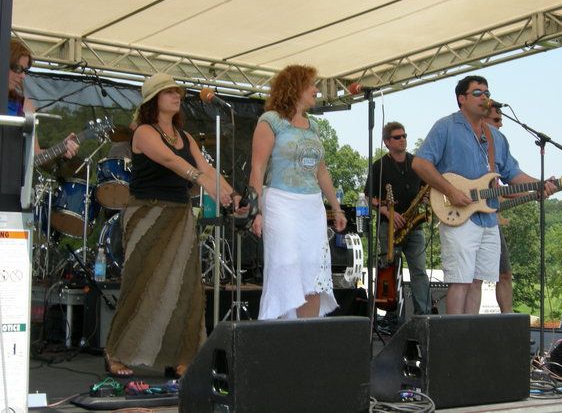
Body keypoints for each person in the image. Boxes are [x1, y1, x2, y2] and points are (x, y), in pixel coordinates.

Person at [103, 73, 240, 377]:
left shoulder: (186, 137)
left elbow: (207, 169)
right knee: (141, 283)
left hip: (179, 215)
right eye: (169, 92)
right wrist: (203, 181)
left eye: (177, 92)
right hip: (147, 214)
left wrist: (233, 195)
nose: (176, 96)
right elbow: (170, 161)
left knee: (186, 286)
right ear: (153, 100)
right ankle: (115, 352)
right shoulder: (143, 132)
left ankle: (182, 356)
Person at [412, 75, 557, 314]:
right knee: (460, 281)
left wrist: (540, 184)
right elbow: (420, 163)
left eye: (487, 93)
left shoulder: (496, 137)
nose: (485, 97)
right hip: (458, 215)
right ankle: (453, 334)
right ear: (461, 98)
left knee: (477, 282)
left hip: (488, 218)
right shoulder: (446, 126)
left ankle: (470, 332)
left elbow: (512, 173)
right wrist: (451, 191)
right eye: (478, 93)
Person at [249, 64, 346, 320]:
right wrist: (256, 211)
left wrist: (336, 208)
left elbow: (321, 171)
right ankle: (281, 333)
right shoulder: (270, 121)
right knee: (285, 265)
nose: (316, 90)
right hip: (281, 202)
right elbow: (257, 169)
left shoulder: (313, 126)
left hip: (312, 206)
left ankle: (307, 333)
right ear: (295, 87)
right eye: (311, 85)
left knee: (313, 270)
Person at [365, 122, 430, 316]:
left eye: (404, 136)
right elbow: (369, 197)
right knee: (390, 271)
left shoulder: (416, 163)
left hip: (414, 225)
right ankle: (393, 316)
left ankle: (424, 315)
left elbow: (426, 189)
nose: (402, 139)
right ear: (387, 142)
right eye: (397, 137)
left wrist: (426, 197)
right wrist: (389, 213)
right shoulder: (379, 166)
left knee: (419, 271)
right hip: (389, 227)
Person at [6, 38, 78, 158]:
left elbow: (34, 155)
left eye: (25, 71)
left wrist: (60, 150)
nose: (23, 76)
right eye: (18, 69)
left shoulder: (25, 106)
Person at [484, 106, 513, 313]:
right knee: (471, 280)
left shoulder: (500, 145)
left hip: (492, 219)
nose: (500, 124)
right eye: (496, 120)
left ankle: (508, 319)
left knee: (505, 273)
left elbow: (509, 179)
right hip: (468, 219)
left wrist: (537, 188)